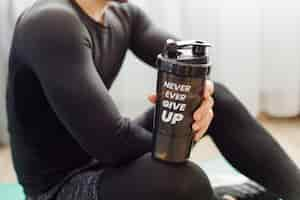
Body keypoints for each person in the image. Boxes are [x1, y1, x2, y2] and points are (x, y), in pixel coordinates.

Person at [6, 0, 300, 199]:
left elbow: (187, 57)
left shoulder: (123, 15)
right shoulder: (51, 22)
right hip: (61, 187)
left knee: (216, 98)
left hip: (103, 159)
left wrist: (201, 96)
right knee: (185, 181)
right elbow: (111, 143)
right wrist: (182, 133)